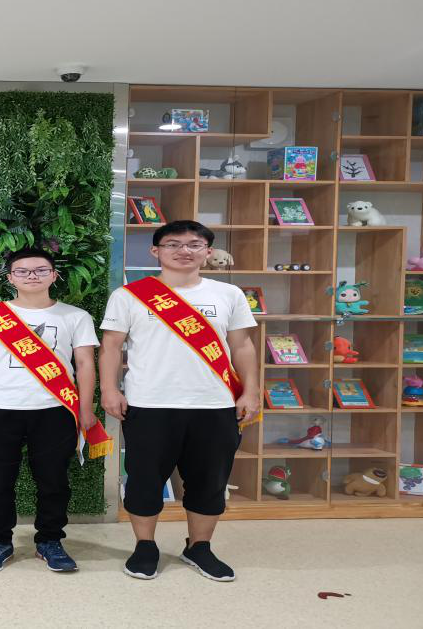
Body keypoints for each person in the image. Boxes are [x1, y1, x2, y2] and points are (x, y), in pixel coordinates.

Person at [99, 220, 259, 582]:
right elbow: (111, 346)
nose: (184, 251)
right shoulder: (130, 295)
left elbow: (242, 346)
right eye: (173, 244)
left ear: (208, 251)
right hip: (149, 404)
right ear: (155, 251)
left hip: (215, 405)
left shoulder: (228, 294)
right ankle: (145, 546)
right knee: (144, 480)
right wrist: (109, 389)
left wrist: (250, 391)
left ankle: (199, 547)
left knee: (209, 481)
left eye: (194, 244)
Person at [0, 247, 105, 573]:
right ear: (10, 278)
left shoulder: (75, 316)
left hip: (56, 409)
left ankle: (50, 541)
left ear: (54, 275)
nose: (32, 276)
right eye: (22, 271)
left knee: (54, 480)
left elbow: (85, 364)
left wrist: (85, 408)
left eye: (41, 270)